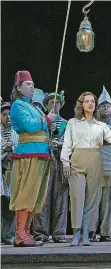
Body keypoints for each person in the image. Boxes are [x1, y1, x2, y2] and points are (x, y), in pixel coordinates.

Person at [61, 91, 111, 246]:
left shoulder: (101, 126)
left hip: (95, 159)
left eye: (93, 101)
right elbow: (67, 143)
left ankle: (86, 232)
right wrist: (65, 162)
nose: (90, 103)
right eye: (87, 101)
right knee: (78, 198)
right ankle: (76, 233)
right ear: (81, 104)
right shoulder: (73, 122)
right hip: (78, 158)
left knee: (92, 199)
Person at [9, 70, 57, 247]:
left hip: (41, 152)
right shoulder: (17, 105)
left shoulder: (34, 107)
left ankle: (26, 232)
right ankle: (20, 233)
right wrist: (47, 119)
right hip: (28, 153)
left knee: (36, 195)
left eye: (32, 84)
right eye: (28, 84)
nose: (32, 86)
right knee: (26, 193)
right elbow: (30, 125)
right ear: (19, 87)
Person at [33, 92, 69, 243]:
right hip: (45, 160)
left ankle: (59, 233)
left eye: (57, 102)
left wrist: (61, 145)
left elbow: (71, 143)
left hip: (60, 162)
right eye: (51, 102)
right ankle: (40, 233)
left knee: (60, 198)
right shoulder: (42, 121)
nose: (55, 105)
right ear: (46, 105)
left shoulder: (67, 124)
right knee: (42, 197)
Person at [91, 87, 111, 242]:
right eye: (102, 105)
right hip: (95, 167)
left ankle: (105, 232)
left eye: (108, 106)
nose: (105, 108)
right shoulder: (93, 123)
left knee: (109, 202)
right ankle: (90, 231)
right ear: (98, 108)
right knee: (93, 201)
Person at [1, 101, 18, 245]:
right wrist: (3, 150)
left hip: (12, 173)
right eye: (4, 114)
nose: (7, 117)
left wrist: (12, 150)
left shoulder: (17, 134)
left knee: (10, 207)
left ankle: (8, 235)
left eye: (10, 114)